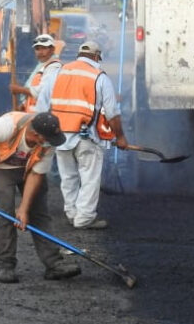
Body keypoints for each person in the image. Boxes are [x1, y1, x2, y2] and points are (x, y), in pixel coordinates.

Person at [0, 111, 80, 283]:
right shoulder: (7, 127)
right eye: (46, 139)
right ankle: (5, 265)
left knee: (39, 213)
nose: (50, 143)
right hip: (1, 167)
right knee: (5, 212)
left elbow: (36, 175)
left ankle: (54, 264)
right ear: (35, 134)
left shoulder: (48, 140)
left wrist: (24, 210)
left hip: (29, 169)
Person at [35, 40, 129, 230]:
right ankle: (84, 218)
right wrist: (120, 137)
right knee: (89, 178)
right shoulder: (99, 77)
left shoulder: (58, 73)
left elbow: (42, 106)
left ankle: (71, 213)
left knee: (68, 177)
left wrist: (44, 133)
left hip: (59, 136)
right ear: (96, 57)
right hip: (86, 137)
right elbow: (112, 113)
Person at [9, 33, 62, 113]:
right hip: (33, 113)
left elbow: (41, 91)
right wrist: (23, 106)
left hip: (43, 114)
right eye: (37, 49)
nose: (40, 52)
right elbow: (31, 89)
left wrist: (19, 89)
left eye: (44, 48)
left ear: (52, 49)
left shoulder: (54, 66)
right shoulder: (41, 65)